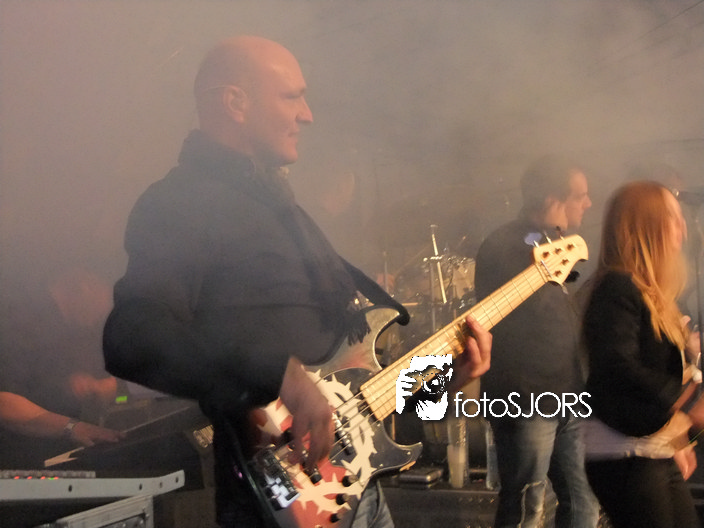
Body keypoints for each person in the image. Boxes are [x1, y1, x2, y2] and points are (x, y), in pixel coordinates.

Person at [102, 35, 492, 528]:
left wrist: (444, 380)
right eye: (292, 97)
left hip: (355, 493)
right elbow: (131, 338)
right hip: (274, 499)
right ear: (235, 103)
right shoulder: (180, 203)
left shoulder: (281, 207)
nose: (307, 115)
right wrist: (280, 374)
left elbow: (351, 393)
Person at [474, 154, 599, 528]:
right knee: (526, 507)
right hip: (524, 399)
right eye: (580, 195)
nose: (588, 203)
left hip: (570, 395)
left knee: (584, 501)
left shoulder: (558, 245)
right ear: (552, 199)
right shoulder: (504, 245)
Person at [582, 180, 704, 528]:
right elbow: (616, 365)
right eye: (673, 218)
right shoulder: (617, 287)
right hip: (624, 454)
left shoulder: (648, 292)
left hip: (652, 449)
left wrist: (678, 438)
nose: (683, 229)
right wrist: (686, 398)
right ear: (647, 226)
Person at [0, 267, 123, 469]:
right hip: (16, 467)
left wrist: (104, 389)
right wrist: (72, 428)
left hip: (52, 463)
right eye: (110, 298)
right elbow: (4, 402)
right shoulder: (18, 320)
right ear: (86, 285)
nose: (108, 312)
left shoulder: (74, 330)